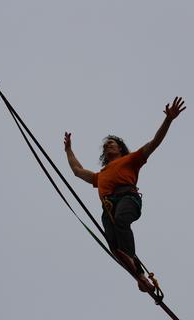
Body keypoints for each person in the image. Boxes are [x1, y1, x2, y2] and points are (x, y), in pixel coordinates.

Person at [64, 97, 186, 293]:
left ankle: (131, 259)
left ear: (119, 148)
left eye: (111, 144)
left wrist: (168, 120)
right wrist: (69, 150)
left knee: (121, 221)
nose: (108, 146)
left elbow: (154, 143)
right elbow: (77, 171)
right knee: (115, 248)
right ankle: (140, 278)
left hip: (127, 199)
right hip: (107, 209)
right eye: (105, 146)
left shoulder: (131, 160)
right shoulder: (100, 176)